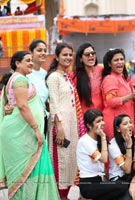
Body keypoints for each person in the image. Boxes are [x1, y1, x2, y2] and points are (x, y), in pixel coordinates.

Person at [0, 51, 60, 199]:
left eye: (31, 61)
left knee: (26, 171)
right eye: (27, 60)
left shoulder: (17, 79)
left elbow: (12, 104)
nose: (31, 63)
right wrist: (36, 130)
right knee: (23, 172)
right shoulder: (20, 80)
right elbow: (22, 106)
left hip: (20, 131)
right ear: (17, 63)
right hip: (22, 133)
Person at [46, 43, 79, 199]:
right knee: (61, 161)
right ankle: (59, 196)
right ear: (57, 57)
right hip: (60, 127)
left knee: (70, 160)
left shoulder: (66, 76)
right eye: (64, 55)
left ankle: (64, 196)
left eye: (70, 55)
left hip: (70, 125)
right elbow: (54, 104)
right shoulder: (53, 77)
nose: (68, 58)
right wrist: (59, 127)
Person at [77, 109, 130, 200]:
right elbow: (104, 159)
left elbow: (102, 167)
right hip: (88, 184)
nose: (102, 123)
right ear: (89, 125)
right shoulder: (85, 141)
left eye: (102, 120)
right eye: (98, 121)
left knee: (122, 189)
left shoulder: (98, 139)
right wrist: (103, 137)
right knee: (123, 186)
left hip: (99, 182)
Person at [101, 48, 135, 140]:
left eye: (122, 59)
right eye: (116, 60)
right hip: (115, 124)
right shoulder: (110, 79)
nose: (120, 62)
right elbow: (111, 101)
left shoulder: (122, 78)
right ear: (109, 64)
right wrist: (130, 96)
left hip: (125, 124)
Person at [72, 42, 103, 113]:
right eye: (87, 54)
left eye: (93, 53)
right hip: (86, 116)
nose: (91, 55)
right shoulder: (75, 76)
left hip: (102, 115)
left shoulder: (101, 70)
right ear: (80, 59)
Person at [27, 39, 49, 136]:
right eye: (39, 50)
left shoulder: (45, 74)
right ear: (31, 53)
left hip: (42, 119)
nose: (43, 53)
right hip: (27, 121)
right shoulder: (24, 73)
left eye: (45, 50)